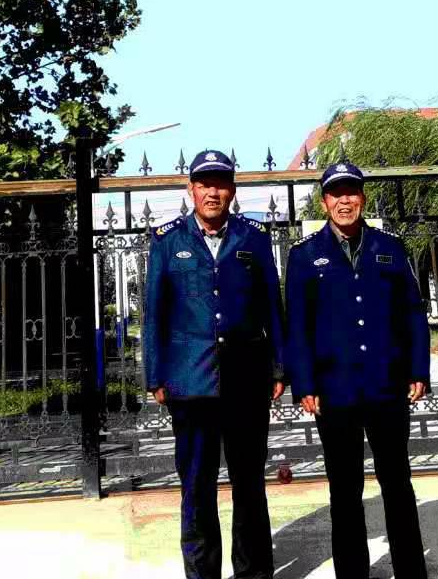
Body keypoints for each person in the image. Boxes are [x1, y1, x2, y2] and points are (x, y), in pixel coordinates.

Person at [144, 149, 286, 579]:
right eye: (204, 184)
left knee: (249, 485)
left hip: (246, 380)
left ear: (232, 190)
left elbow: (272, 306)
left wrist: (279, 367)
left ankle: (254, 572)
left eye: (220, 184)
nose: (212, 192)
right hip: (190, 382)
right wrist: (155, 375)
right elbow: (155, 313)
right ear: (191, 189)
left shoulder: (253, 237)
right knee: (196, 487)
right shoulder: (168, 240)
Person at [285, 159, 430, 579]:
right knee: (345, 490)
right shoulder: (305, 255)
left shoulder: (390, 247)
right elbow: (297, 327)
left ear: (362, 198)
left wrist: (418, 369)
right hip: (336, 391)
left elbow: (413, 313)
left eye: (351, 192)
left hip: (387, 386)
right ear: (325, 202)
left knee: (397, 482)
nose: (344, 201)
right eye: (336, 194)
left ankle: (411, 571)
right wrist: (304, 384)